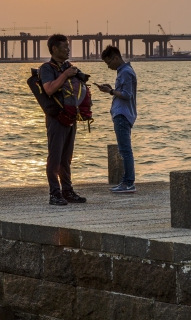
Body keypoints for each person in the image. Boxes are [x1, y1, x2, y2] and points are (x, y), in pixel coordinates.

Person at [39, 34, 87, 206]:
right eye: (65, 46)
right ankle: (54, 193)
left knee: (66, 158)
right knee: (55, 158)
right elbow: (49, 89)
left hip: (70, 116)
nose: (68, 49)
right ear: (54, 49)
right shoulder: (47, 68)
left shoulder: (68, 66)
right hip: (56, 118)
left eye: (68, 46)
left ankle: (67, 191)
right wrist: (65, 74)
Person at [97, 45, 137, 193]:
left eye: (108, 63)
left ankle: (128, 183)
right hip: (122, 114)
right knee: (124, 149)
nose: (108, 66)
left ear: (115, 58)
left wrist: (111, 91)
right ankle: (127, 181)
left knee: (125, 150)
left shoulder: (125, 72)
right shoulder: (124, 71)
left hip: (122, 115)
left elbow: (127, 94)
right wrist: (111, 90)